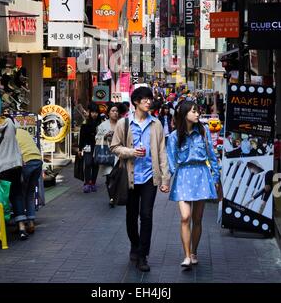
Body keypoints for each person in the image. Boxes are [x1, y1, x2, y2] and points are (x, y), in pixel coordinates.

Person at [110, 87, 170, 272]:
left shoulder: (156, 124)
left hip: (150, 177)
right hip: (130, 177)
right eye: (144, 99)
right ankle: (134, 245)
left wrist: (165, 178)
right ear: (136, 102)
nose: (148, 102)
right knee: (131, 216)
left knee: (147, 216)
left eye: (150, 99)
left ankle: (143, 255)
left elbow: (161, 151)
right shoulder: (124, 123)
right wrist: (131, 152)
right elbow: (114, 146)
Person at [167, 101, 221, 269]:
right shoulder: (175, 136)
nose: (197, 114)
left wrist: (215, 178)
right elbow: (170, 159)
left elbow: (212, 157)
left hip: (201, 175)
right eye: (194, 111)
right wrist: (165, 180)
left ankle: (193, 252)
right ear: (184, 114)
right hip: (183, 176)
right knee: (185, 217)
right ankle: (186, 256)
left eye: (198, 111)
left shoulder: (203, 133)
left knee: (197, 219)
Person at [0, 100, 28, 240]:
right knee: (17, 195)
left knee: (0, 198)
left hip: (2, 168)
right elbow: (14, 140)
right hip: (16, 165)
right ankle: (21, 228)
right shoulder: (9, 122)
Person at [16, 128, 43, 234]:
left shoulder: (10, 133)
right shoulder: (24, 131)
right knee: (30, 194)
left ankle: (21, 223)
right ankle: (31, 223)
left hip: (26, 161)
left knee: (21, 194)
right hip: (37, 160)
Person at [95, 103, 119, 207]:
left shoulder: (121, 124)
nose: (115, 113)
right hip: (107, 154)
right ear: (108, 113)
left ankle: (116, 195)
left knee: (117, 176)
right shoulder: (102, 125)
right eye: (113, 111)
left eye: (116, 111)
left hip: (119, 155)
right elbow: (97, 139)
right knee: (109, 177)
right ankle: (112, 197)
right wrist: (105, 136)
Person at [78, 103, 101, 193]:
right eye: (93, 112)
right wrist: (80, 149)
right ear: (89, 112)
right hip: (87, 146)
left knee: (95, 164)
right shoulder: (85, 123)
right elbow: (82, 137)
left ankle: (93, 183)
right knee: (87, 163)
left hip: (97, 146)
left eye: (96, 112)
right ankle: (87, 183)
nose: (94, 114)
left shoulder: (100, 123)